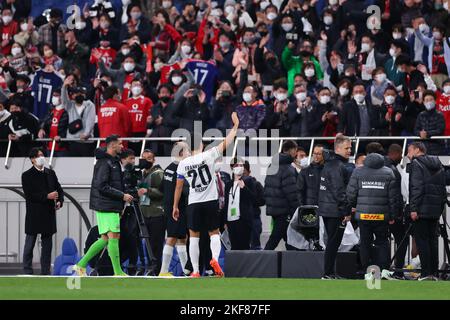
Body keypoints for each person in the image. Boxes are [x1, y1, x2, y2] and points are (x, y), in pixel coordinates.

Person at [172, 112, 240, 278]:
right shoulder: (209, 155)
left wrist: (175, 206)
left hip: (193, 203)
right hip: (210, 201)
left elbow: (179, 188)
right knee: (214, 232)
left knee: (193, 236)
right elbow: (227, 142)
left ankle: (195, 271)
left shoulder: (182, 164)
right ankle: (215, 259)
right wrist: (236, 126)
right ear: (202, 144)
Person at [73, 135, 134, 276]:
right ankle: (118, 272)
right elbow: (102, 186)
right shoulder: (104, 163)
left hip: (108, 204)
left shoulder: (112, 162)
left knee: (105, 239)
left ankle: (80, 265)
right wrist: (122, 196)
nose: (122, 146)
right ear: (112, 146)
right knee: (114, 236)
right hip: (106, 205)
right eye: (120, 144)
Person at [346, 145, 399, 276]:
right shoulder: (388, 172)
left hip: (363, 215)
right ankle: (384, 270)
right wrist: (392, 215)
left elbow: (351, 194)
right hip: (381, 216)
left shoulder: (358, 172)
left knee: (365, 242)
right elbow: (393, 197)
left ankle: (367, 270)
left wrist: (348, 210)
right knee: (382, 242)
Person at [408, 141, 447, 281]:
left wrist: (413, 208)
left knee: (422, 241)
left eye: (409, 150)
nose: (408, 154)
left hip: (421, 209)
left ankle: (425, 273)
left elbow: (416, 187)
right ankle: (434, 273)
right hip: (435, 210)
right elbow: (442, 188)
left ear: (417, 150)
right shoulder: (439, 164)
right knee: (433, 241)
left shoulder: (416, 164)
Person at [21, 147, 64, 275]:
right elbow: (29, 195)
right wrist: (47, 196)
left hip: (48, 214)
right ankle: (27, 270)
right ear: (32, 159)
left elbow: (59, 189)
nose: (41, 157)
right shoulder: (26, 175)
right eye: (38, 156)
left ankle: (45, 271)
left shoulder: (51, 173)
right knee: (30, 243)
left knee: (47, 246)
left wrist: (59, 201)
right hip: (34, 214)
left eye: (42, 155)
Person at [318, 135, 353, 279]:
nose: (350, 150)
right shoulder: (337, 166)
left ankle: (330, 273)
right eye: (347, 148)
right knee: (333, 242)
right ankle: (328, 273)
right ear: (337, 148)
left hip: (328, 208)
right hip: (334, 210)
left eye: (350, 147)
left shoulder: (330, 164)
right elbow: (339, 191)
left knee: (333, 242)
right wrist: (346, 211)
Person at [159, 142, 190, 276]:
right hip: (176, 208)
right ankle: (163, 271)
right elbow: (184, 191)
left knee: (181, 238)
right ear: (181, 153)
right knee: (171, 238)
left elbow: (161, 188)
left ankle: (186, 271)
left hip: (170, 206)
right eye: (187, 150)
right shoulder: (180, 169)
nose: (189, 153)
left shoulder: (168, 168)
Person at [264, 140, 300, 250]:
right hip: (285, 211)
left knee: (290, 241)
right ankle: (261, 260)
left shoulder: (272, 165)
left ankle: (292, 264)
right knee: (274, 240)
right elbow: (292, 193)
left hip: (275, 210)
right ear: (293, 150)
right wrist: (297, 209)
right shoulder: (288, 168)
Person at [139, 149, 165, 275]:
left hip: (157, 214)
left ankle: (156, 269)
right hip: (145, 214)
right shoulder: (141, 174)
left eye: (149, 158)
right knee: (147, 244)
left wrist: (147, 191)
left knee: (156, 244)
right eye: (144, 158)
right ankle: (150, 267)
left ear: (154, 160)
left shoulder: (159, 173)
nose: (146, 161)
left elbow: (164, 192)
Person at [224, 157, 257, 250]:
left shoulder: (249, 181)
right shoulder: (228, 184)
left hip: (243, 219)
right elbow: (227, 203)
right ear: (232, 167)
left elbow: (254, 199)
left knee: (244, 247)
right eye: (237, 165)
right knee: (234, 247)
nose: (240, 167)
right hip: (231, 220)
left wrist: (244, 188)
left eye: (241, 165)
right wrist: (225, 220)